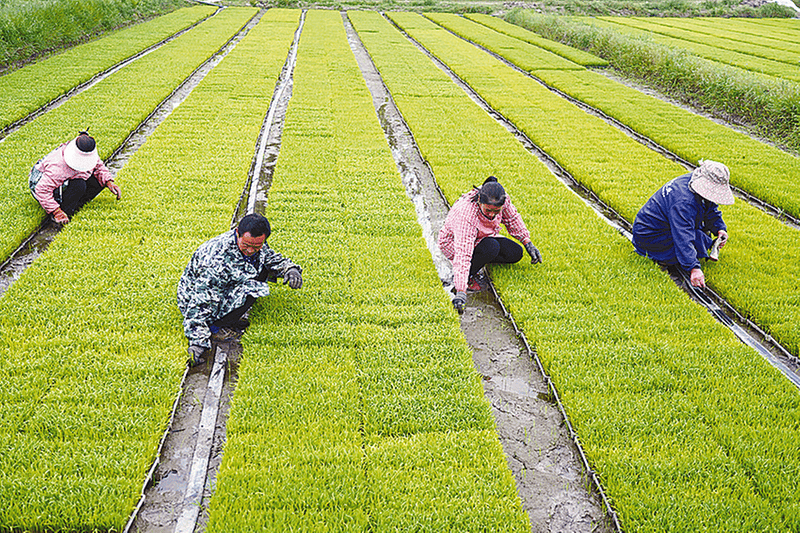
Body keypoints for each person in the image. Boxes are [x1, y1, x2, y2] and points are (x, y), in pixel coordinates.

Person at [177, 213, 303, 366]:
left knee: (262, 270)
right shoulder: (215, 260)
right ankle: (218, 325)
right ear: (237, 233)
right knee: (253, 288)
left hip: (222, 287)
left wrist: (289, 269)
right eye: (246, 245)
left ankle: (228, 317)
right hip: (200, 297)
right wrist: (198, 343)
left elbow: (268, 257)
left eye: (257, 246)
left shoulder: (256, 245)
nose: (251, 250)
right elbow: (200, 302)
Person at [438, 176, 542, 314]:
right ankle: (468, 277)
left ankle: (481, 258)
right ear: (480, 201)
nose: (492, 215)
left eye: (496, 211)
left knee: (515, 252)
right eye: (488, 211)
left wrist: (528, 242)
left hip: (483, 237)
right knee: (491, 247)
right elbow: (463, 254)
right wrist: (461, 291)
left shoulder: (502, 200)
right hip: (453, 243)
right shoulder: (466, 214)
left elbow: (512, 219)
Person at [632, 160, 734, 289]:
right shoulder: (684, 201)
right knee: (694, 239)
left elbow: (710, 207)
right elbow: (683, 237)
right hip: (650, 237)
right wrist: (694, 268)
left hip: (665, 226)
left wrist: (720, 228)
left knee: (698, 237)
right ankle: (668, 256)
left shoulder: (692, 180)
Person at [29, 132, 121, 224]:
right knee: (79, 185)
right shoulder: (58, 166)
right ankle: (64, 210)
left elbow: (99, 167)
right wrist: (57, 211)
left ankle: (76, 205)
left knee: (99, 181)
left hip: (63, 179)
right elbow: (42, 190)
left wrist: (109, 182)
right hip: (40, 184)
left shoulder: (87, 152)